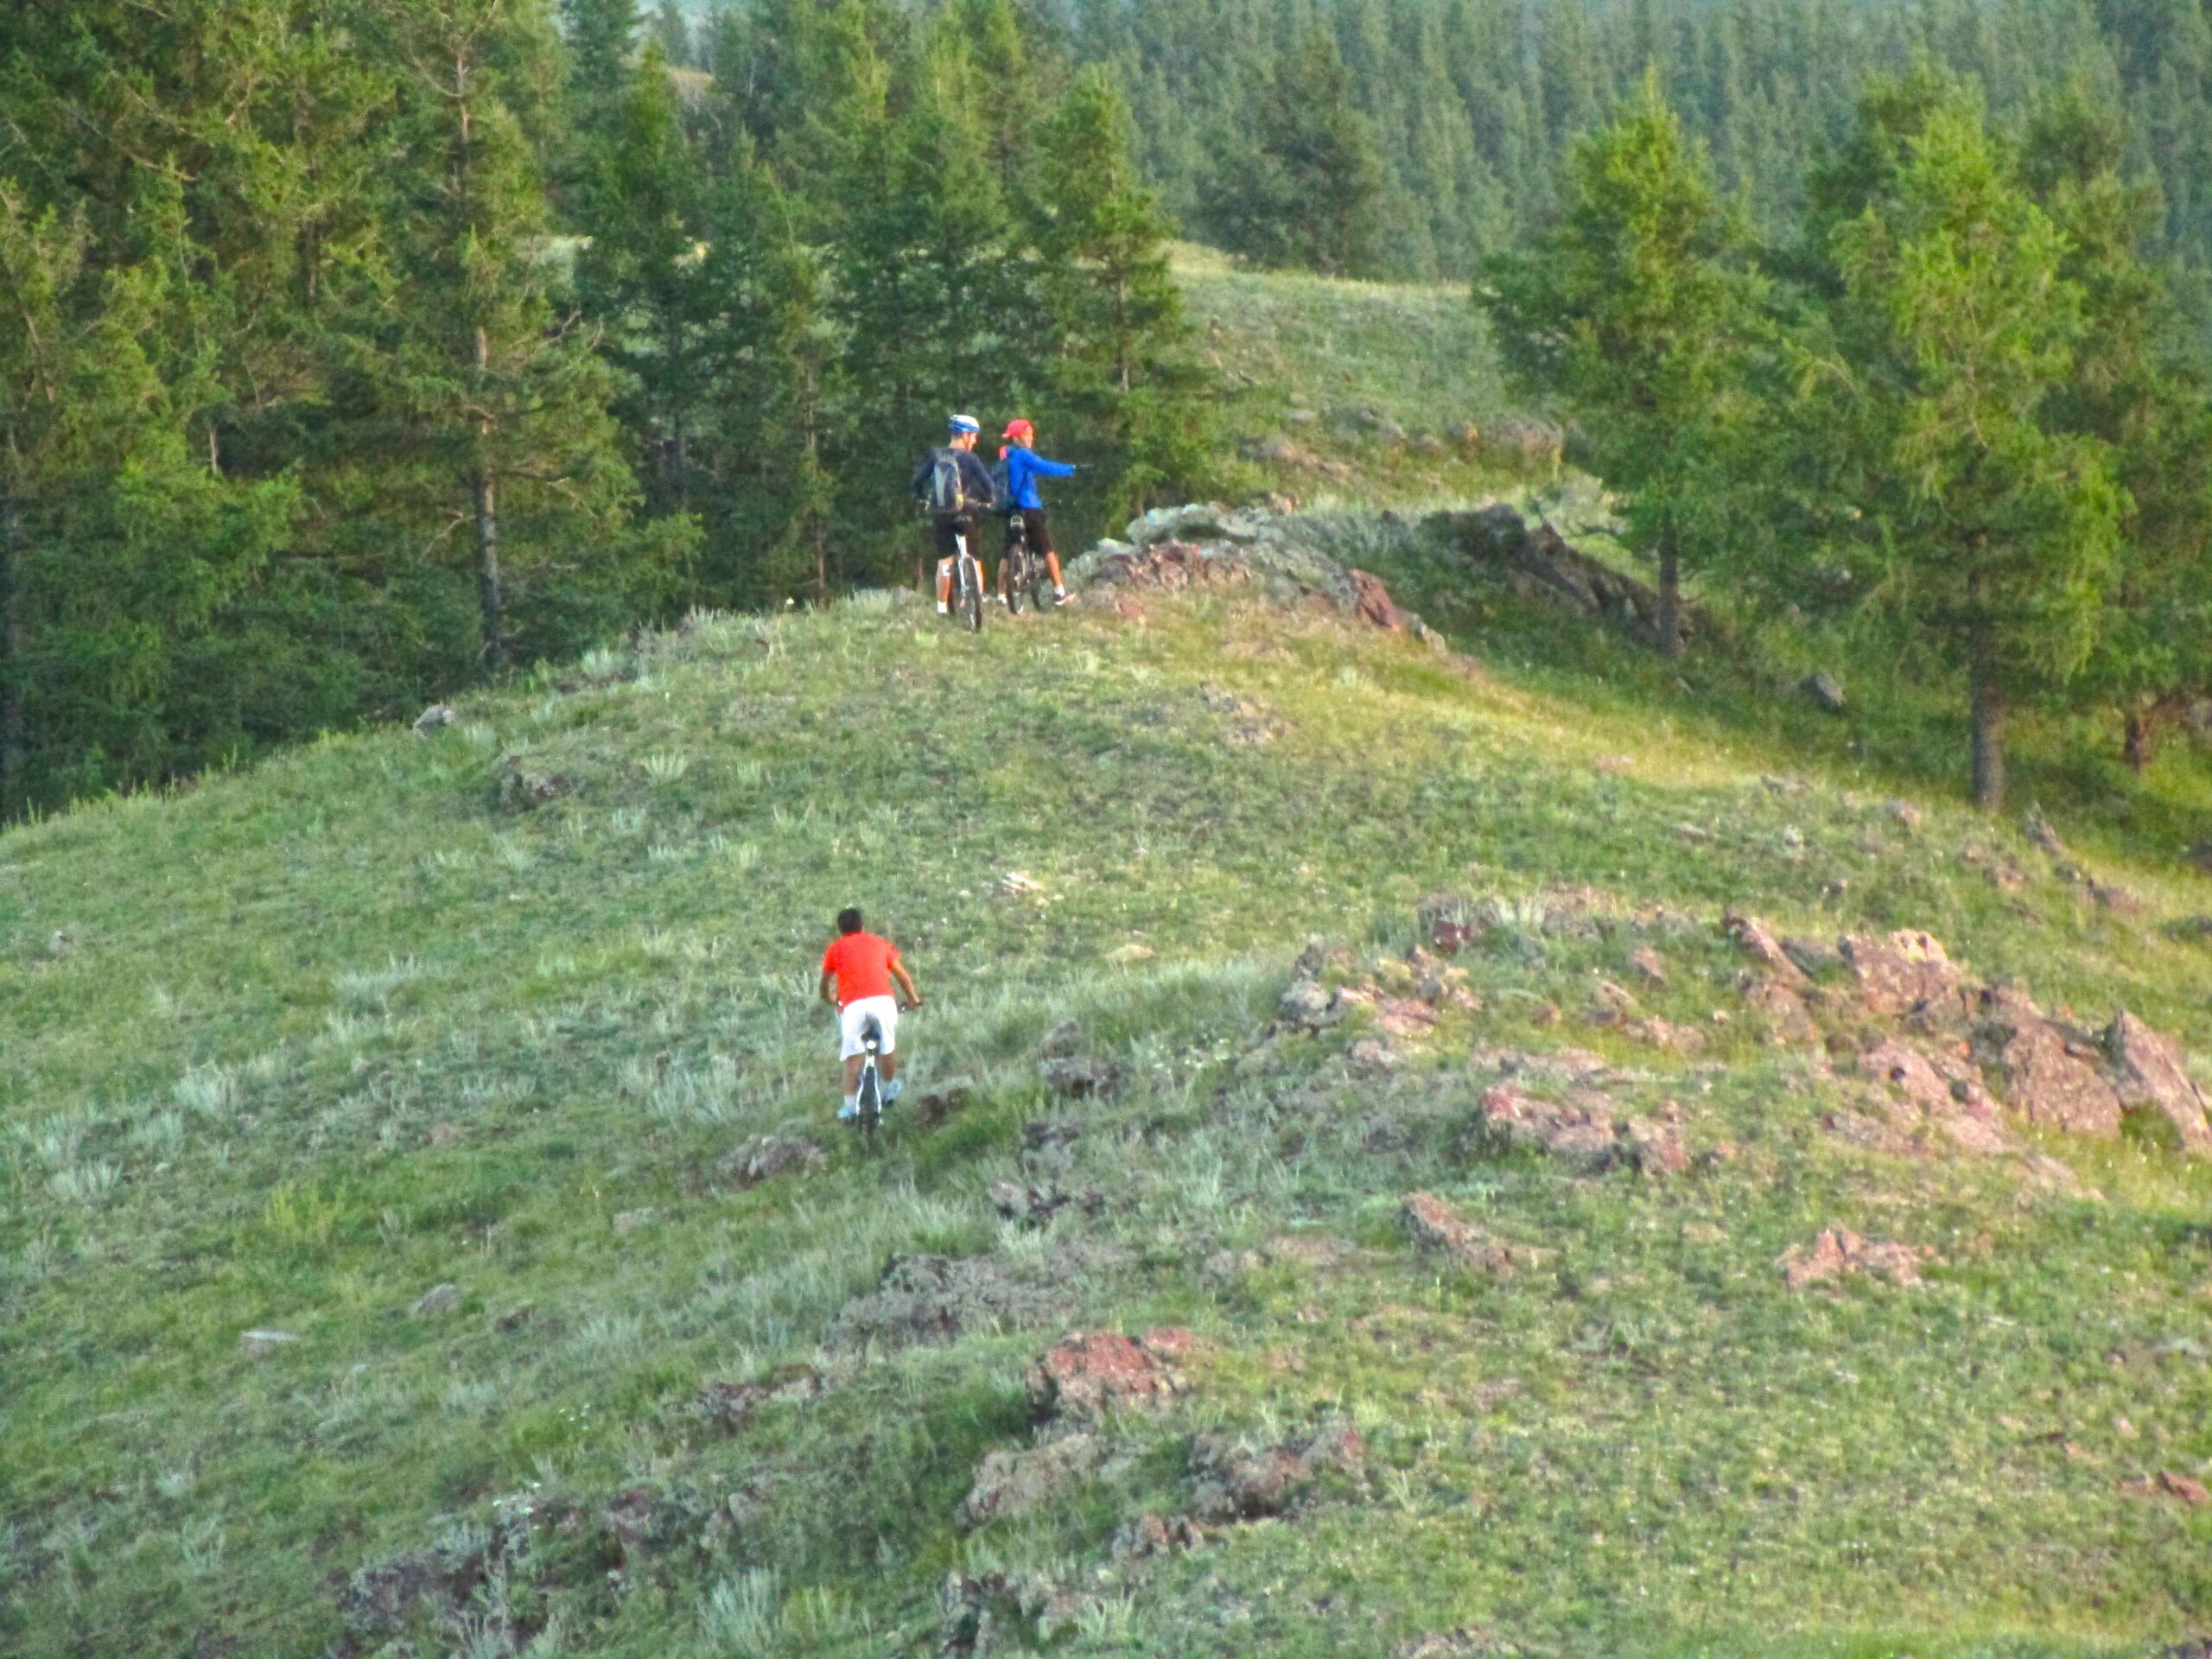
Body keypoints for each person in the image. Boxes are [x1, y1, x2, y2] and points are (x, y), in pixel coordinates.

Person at [818, 906, 922, 1122]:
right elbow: (902, 976)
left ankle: (849, 1109)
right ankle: (888, 1091)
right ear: (862, 925)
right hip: (882, 1002)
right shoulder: (879, 943)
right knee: (887, 1046)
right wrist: (912, 999)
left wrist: (830, 999)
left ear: (840, 930)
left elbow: (824, 983)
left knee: (853, 1059)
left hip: (853, 1007)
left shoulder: (835, 949)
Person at [912, 414, 997, 614]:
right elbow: (988, 486)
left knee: (944, 560)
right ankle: (977, 605)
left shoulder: (937, 456)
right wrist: (990, 501)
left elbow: (917, 481)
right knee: (974, 557)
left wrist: (922, 497)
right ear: (965, 435)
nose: (975, 441)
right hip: (966, 510)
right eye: (974, 436)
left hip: (941, 512)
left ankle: (941, 609)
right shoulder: (971, 458)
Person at [997, 418, 1076, 604]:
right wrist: (1071, 469)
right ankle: (1059, 592)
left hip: (1010, 509)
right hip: (1029, 508)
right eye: (1028, 434)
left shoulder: (1005, 455)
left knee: (1007, 551)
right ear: (1016, 437)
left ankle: (1001, 595)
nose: (1031, 438)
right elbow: (1045, 466)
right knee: (1047, 548)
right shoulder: (1023, 455)